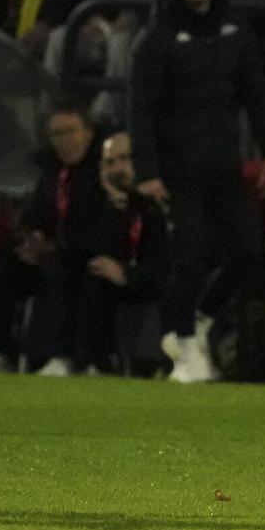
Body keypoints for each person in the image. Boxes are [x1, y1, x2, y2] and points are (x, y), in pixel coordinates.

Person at [129, 0, 265, 383]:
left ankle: (197, 318)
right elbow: (141, 108)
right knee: (191, 254)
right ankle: (182, 339)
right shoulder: (157, 38)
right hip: (178, 168)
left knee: (247, 252)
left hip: (224, 164)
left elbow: (256, 93)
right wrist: (147, 170)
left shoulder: (235, 30)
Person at [0, 102, 103, 377]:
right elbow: (34, 216)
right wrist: (30, 239)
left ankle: (62, 357)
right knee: (6, 257)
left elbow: (101, 227)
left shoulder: (102, 170)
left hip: (85, 256)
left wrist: (55, 245)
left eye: (71, 131)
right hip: (51, 253)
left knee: (60, 262)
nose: (64, 141)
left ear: (88, 133)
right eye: (56, 134)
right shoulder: (50, 173)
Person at [74, 130, 171, 375]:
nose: (118, 168)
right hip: (117, 282)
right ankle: (100, 365)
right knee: (94, 276)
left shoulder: (158, 200)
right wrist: (116, 205)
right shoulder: (97, 200)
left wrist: (127, 274)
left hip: (151, 279)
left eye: (124, 159)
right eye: (110, 162)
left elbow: (165, 257)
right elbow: (96, 251)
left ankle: (157, 364)